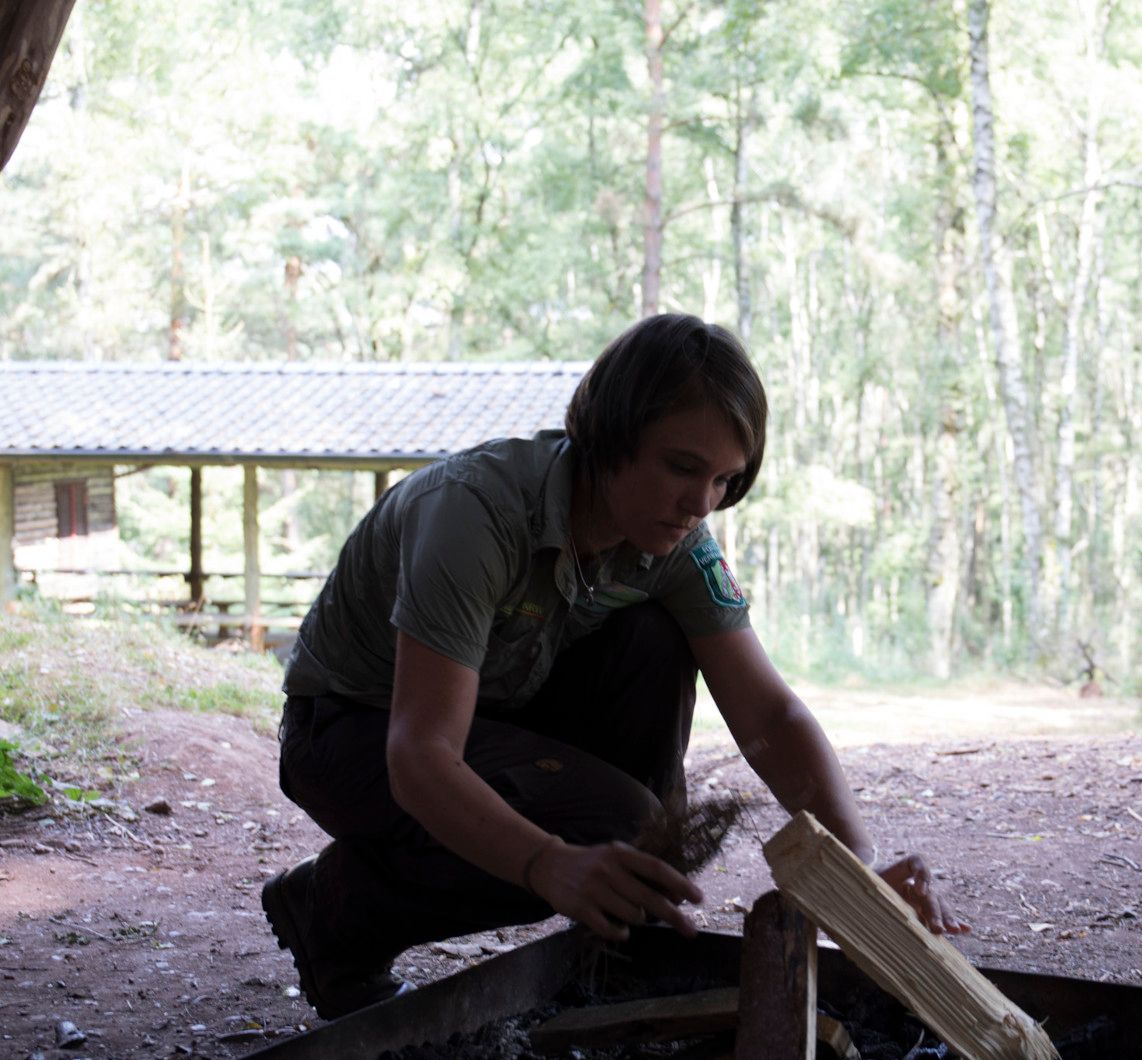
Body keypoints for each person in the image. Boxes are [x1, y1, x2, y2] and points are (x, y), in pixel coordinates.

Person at [264, 314, 966, 1019]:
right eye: (683, 467)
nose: (700, 505)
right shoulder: (475, 515)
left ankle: (625, 935)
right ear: (610, 437)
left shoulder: (675, 539)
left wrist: (860, 867)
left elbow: (770, 716)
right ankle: (333, 911)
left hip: (495, 718)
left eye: (725, 479)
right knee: (614, 826)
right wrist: (549, 862)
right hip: (348, 736)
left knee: (654, 644)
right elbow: (420, 756)